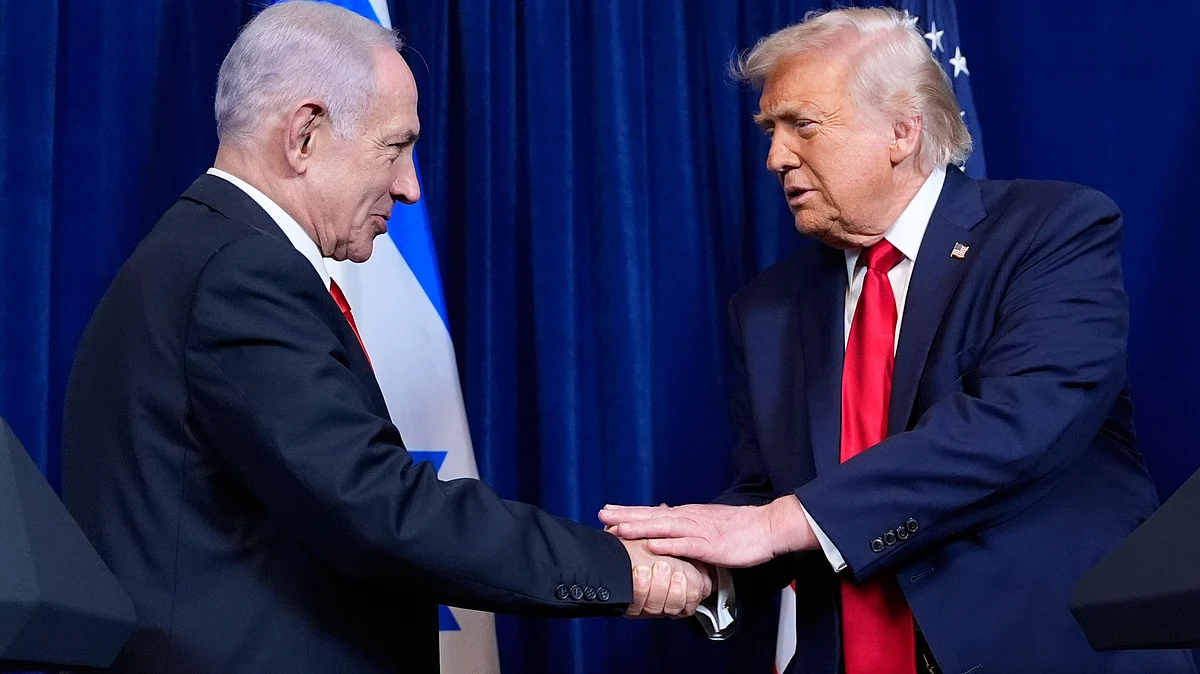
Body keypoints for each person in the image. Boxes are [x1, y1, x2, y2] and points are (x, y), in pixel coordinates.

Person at [61, 2, 708, 672]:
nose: (409, 187)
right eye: (394, 147)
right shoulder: (238, 273)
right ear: (305, 134)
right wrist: (618, 568)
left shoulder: (202, 251)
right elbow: (378, 508)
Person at [601, 7, 1197, 674]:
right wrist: (697, 566)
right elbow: (766, 495)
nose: (775, 157)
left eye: (802, 125)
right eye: (770, 130)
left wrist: (775, 523)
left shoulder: (1054, 230)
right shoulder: (768, 307)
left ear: (902, 130)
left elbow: (1017, 426)